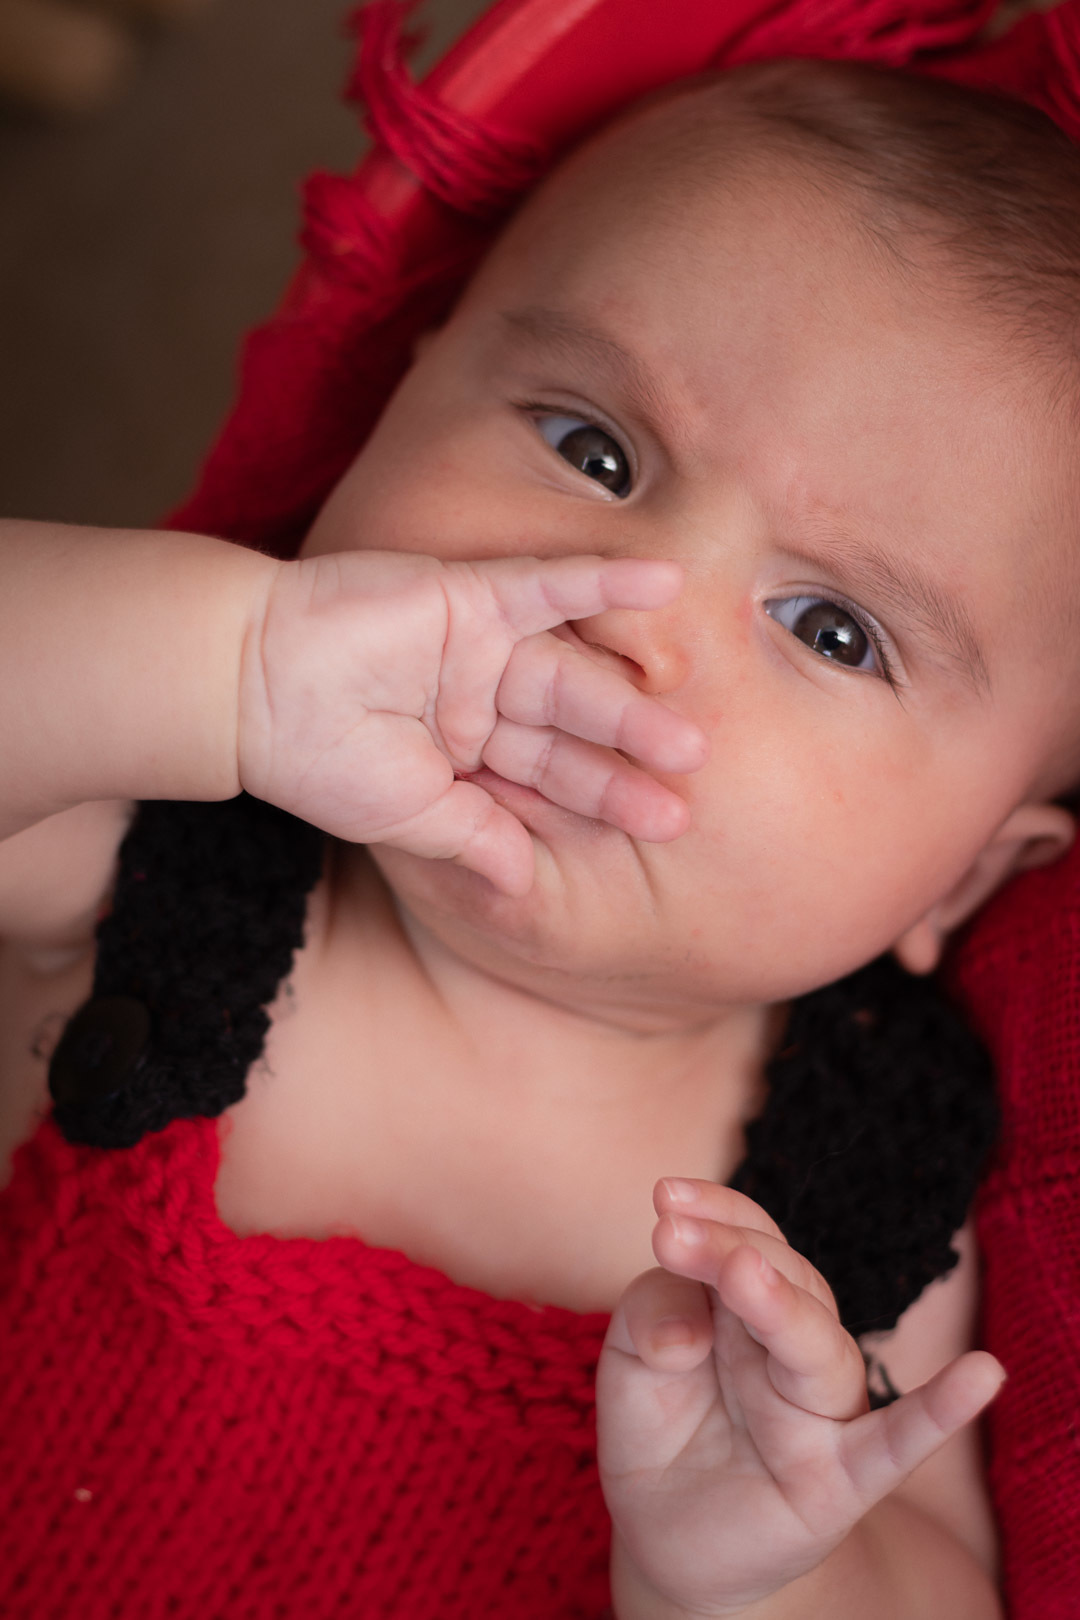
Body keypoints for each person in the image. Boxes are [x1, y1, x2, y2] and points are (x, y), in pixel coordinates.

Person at [2, 49, 1080, 1620]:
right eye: (592, 450)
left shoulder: (866, 1186)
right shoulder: (200, 857)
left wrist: (764, 1568)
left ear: (968, 875)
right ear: (397, 395)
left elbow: (931, 1580)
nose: (627, 617)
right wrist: (225, 669)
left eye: (833, 631)